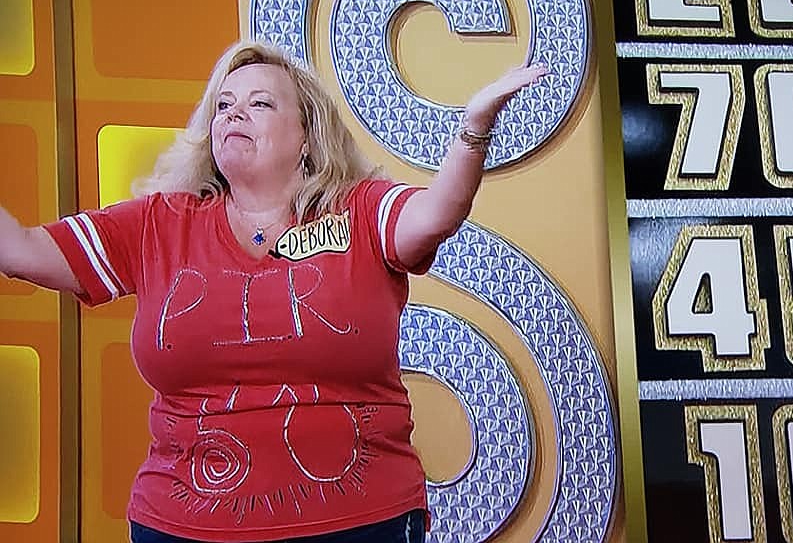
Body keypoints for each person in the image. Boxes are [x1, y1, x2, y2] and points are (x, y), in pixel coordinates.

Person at [0, 40, 546, 543]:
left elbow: (434, 215)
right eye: (224, 104)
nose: (234, 113)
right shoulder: (157, 225)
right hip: (183, 525)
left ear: (306, 135)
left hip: (359, 522)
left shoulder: (356, 211)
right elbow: (22, 251)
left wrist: (473, 130)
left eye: (260, 103)